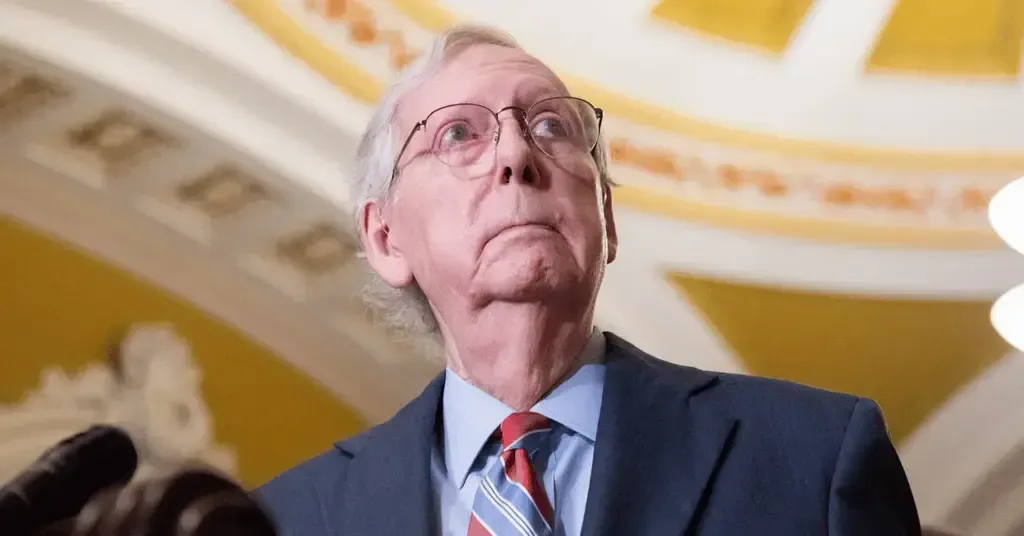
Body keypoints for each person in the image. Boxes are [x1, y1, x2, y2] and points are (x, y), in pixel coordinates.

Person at [255, 24, 921, 536]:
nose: (516, 153)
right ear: (385, 238)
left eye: (551, 126)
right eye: (458, 134)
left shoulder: (814, 458)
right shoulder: (287, 519)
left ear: (605, 214)